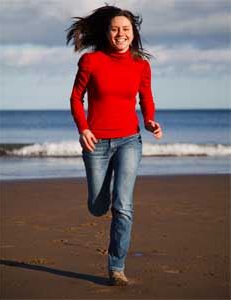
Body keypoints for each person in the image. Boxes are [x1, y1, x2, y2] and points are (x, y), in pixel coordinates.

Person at [66, 4, 162, 286]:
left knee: (123, 205)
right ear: (107, 32)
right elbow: (75, 98)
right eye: (115, 28)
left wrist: (150, 120)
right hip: (96, 142)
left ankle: (116, 267)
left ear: (133, 34)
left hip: (129, 140)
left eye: (126, 29)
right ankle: (101, 198)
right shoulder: (90, 62)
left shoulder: (141, 66)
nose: (121, 34)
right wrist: (83, 128)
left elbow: (146, 98)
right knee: (98, 207)